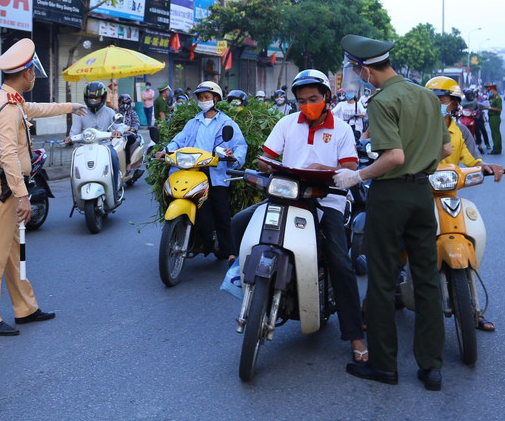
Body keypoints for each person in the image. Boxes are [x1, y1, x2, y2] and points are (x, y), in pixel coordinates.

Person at [334, 34, 451, 391]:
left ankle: (385, 366)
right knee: (427, 279)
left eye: (357, 70)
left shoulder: (382, 100)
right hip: (421, 195)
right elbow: (445, 149)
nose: (358, 76)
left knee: (383, 281)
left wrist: (358, 175)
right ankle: (431, 368)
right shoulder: (428, 97)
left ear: (365, 69)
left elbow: (393, 158)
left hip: (390, 195)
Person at [231, 69, 367, 363]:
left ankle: (355, 334)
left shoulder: (342, 130)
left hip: (327, 201)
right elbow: (265, 156)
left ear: (326, 97)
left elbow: (350, 170)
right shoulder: (287, 123)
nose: (307, 105)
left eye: (313, 99)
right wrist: (267, 167)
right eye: (302, 100)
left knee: (340, 263)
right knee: (238, 224)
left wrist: (326, 171)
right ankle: (237, 277)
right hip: (287, 194)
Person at [0, 38, 86, 336]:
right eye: (33, 72)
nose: (34, 77)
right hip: (4, 189)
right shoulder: (8, 107)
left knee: (14, 254)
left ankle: (25, 308)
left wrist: (70, 106)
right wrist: (23, 196)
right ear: (25, 74)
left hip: (8, 188)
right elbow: (9, 154)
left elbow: (36, 108)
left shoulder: (10, 100)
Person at [425, 77, 504, 333]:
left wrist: (487, 166)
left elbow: (472, 160)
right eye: (433, 99)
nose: (438, 104)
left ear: (455, 103)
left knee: (471, 234)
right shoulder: (417, 129)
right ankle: (385, 295)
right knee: (398, 243)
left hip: (450, 196)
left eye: (443, 99)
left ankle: (474, 310)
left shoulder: (462, 131)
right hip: (419, 196)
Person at [155, 81, 247, 260]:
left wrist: (233, 155)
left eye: (207, 97)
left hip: (215, 173)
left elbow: (240, 146)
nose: (203, 100)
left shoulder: (227, 123)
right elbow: (179, 140)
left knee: (221, 213)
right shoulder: (193, 122)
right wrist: (166, 150)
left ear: (216, 99)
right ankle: (187, 237)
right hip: (190, 171)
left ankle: (229, 253)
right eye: (201, 98)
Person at [65, 81, 123, 197]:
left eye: (96, 97)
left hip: (105, 146)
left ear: (102, 98)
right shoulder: (81, 113)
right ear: (86, 98)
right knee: (74, 161)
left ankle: (115, 188)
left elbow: (119, 126)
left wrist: (118, 131)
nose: (93, 100)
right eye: (90, 98)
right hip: (84, 147)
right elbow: (74, 132)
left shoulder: (109, 112)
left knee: (114, 157)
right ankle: (76, 194)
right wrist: (70, 138)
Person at [116, 93, 141, 172]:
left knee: (125, 145)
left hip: (130, 135)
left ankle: (128, 165)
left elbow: (137, 123)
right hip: (118, 135)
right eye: (123, 103)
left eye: (127, 104)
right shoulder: (116, 113)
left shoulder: (132, 113)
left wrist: (132, 129)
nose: (125, 105)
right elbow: (112, 124)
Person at [485, 83, 502, 154]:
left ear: (493, 90)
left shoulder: (498, 98)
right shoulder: (493, 98)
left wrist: (489, 108)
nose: (489, 92)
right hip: (492, 117)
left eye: (490, 90)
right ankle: (496, 147)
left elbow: (499, 109)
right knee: (494, 133)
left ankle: (497, 149)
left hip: (495, 117)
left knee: (496, 134)